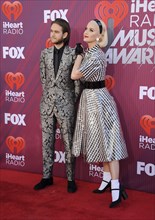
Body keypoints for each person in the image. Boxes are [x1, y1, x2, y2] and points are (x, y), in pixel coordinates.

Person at [71, 19, 128, 207]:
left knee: (110, 145)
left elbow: (75, 75)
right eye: (86, 28)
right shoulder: (90, 53)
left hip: (98, 101)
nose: (86, 31)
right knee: (102, 143)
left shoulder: (95, 56)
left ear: (99, 35)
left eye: (91, 29)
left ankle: (116, 188)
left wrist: (78, 56)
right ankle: (105, 182)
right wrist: (82, 54)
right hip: (90, 99)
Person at [34, 18, 81, 193]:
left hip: (66, 105)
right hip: (46, 104)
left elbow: (78, 84)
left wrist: (70, 101)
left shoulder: (73, 55)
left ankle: (70, 179)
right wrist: (48, 97)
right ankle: (47, 177)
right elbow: (43, 79)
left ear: (65, 34)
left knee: (68, 143)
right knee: (47, 142)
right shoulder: (44, 53)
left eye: (56, 31)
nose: (52, 34)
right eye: (51, 31)